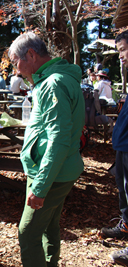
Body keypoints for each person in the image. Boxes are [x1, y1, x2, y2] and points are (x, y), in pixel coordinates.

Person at [8, 32, 85, 267]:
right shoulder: (56, 79)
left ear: (30, 55)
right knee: (49, 225)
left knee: (28, 232)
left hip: (52, 175)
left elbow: (58, 139)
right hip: (56, 171)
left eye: (16, 63)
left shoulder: (52, 84)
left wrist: (40, 187)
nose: (16, 71)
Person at [100, 30, 128, 266]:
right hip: (123, 145)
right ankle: (126, 225)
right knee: (123, 189)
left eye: (123, 50)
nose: (121, 57)